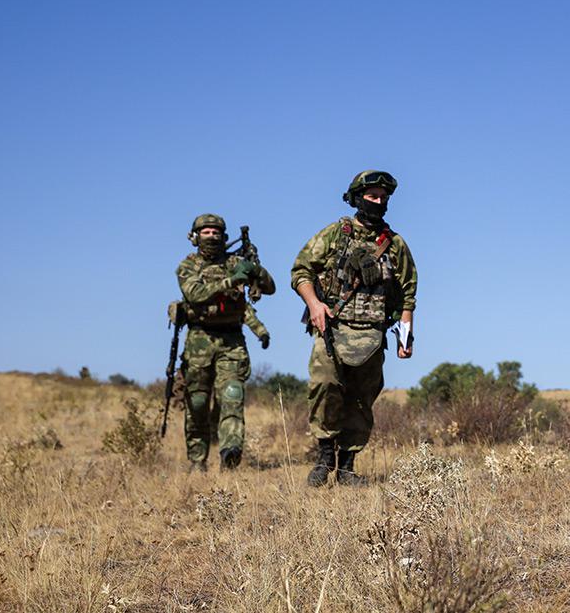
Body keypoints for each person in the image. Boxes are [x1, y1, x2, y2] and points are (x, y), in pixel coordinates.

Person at [291, 171, 417, 486]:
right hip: (332, 329)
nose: (378, 202)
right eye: (372, 196)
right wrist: (314, 304)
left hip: (372, 335)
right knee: (325, 389)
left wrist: (406, 336)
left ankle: (347, 467)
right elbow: (301, 270)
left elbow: (407, 294)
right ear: (358, 197)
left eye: (383, 198)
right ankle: (323, 459)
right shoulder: (335, 234)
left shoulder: (395, 244)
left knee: (361, 399)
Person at [176, 213, 275, 471]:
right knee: (197, 403)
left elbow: (268, 288)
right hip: (199, 341)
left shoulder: (235, 262)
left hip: (232, 342)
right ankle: (197, 460)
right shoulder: (188, 266)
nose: (212, 236)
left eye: (216, 232)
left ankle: (230, 454)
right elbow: (195, 294)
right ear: (195, 237)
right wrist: (232, 280)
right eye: (206, 232)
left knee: (232, 396)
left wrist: (255, 270)